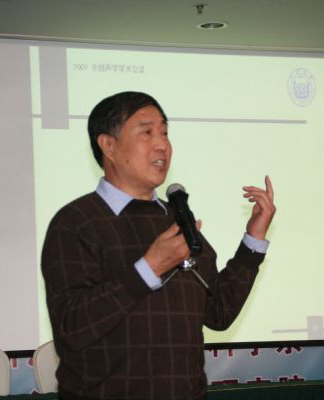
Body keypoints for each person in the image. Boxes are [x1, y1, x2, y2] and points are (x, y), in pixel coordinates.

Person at [41, 91, 275, 400]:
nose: (162, 144)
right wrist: (148, 269)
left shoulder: (177, 221)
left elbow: (219, 312)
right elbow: (72, 328)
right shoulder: (76, 223)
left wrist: (253, 239)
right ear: (108, 146)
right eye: (147, 132)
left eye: (164, 133)